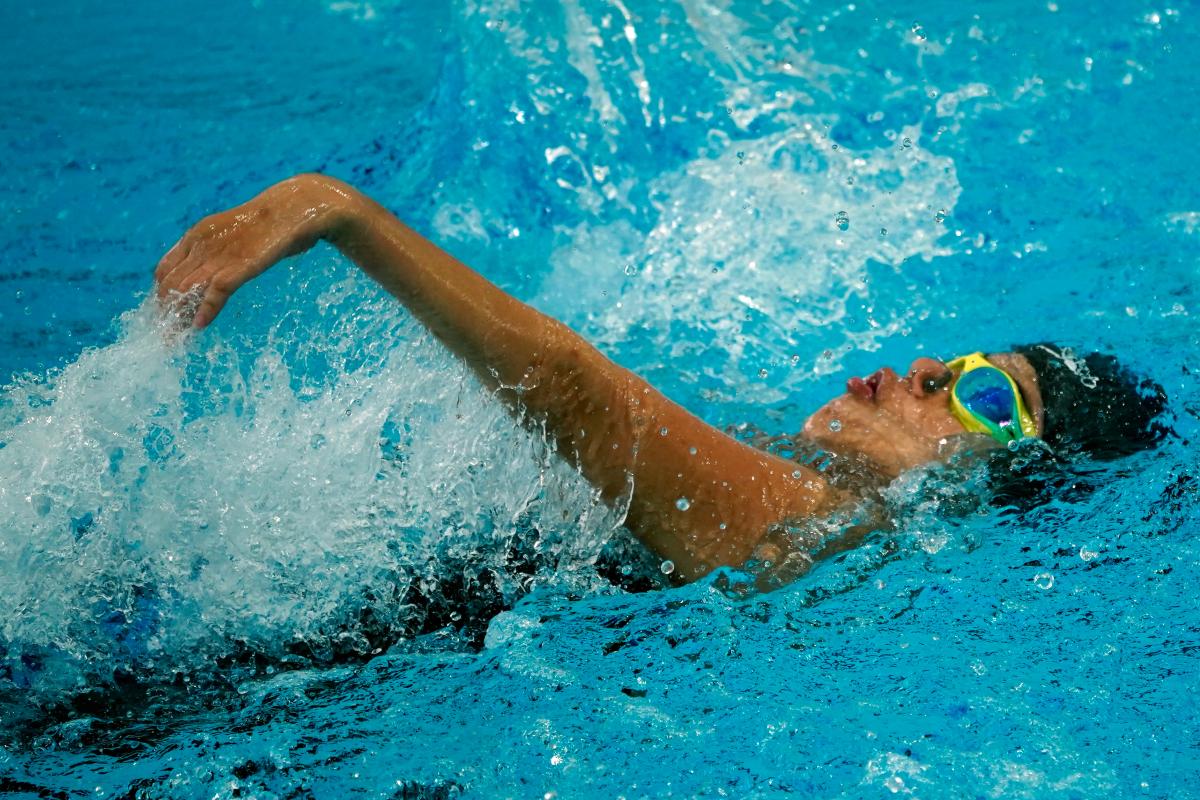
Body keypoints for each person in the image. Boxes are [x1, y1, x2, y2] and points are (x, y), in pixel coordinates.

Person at [154, 173, 1168, 586]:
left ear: (1000, 491)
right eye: (958, 360)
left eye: (987, 395)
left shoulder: (828, 524)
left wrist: (336, 211)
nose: (927, 369)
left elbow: (568, 387)